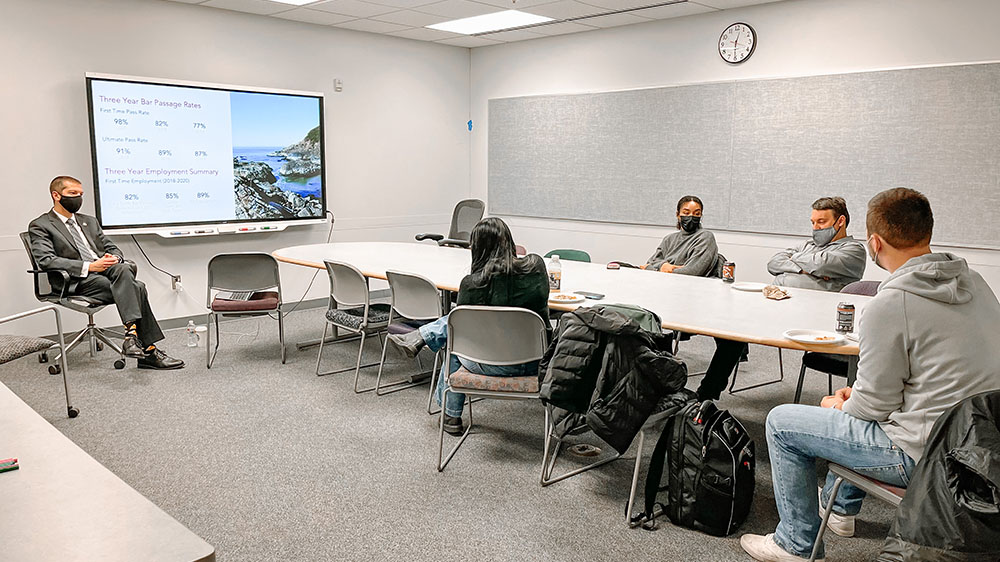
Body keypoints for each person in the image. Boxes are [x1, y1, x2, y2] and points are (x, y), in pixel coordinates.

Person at [740, 188, 1000, 562]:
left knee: (784, 422)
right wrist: (856, 398)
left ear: (875, 244)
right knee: (852, 405)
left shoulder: (891, 303)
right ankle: (840, 510)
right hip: (982, 448)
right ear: (926, 231)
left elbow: (874, 406)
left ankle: (794, 544)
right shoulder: (975, 282)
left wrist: (842, 403)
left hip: (927, 457)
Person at [388, 217, 550, 435]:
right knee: (456, 327)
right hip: (537, 363)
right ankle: (422, 336)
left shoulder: (472, 284)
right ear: (509, 241)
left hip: (486, 365)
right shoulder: (536, 267)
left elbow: (464, 326)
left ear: (478, 249)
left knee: (455, 339)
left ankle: (450, 416)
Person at [28, 176, 184, 370]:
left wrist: (114, 259)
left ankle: (133, 339)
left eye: (81, 194)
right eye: (72, 194)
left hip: (107, 274)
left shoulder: (89, 222)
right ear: (56, 195)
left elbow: (112, 248)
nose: (78, 198)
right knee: (138, 287)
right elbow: (46, 260)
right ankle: (146, 349)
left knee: (123, 267)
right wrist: (89, 266)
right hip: (74, 280)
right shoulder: (41, 225)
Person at [767, 197, 867, 292]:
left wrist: (793, 257)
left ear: (840, 221)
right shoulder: (808, 244)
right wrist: (804, 270)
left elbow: (820, 265)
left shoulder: (854, 249)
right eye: (813, 222)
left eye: (821, 222)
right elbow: (773, 263)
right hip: (784, 302)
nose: (815, 227)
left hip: (825, 306)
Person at [641, 195, 719, 275]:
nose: (691, 216)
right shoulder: (669, 239)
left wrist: (655, 270)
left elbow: (692, 271)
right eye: (686, 213)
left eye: (696, 214)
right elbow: (651, 262)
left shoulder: (705, 237)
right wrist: (663, 265)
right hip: (662, 282)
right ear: (678, 215)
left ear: (701, 216)